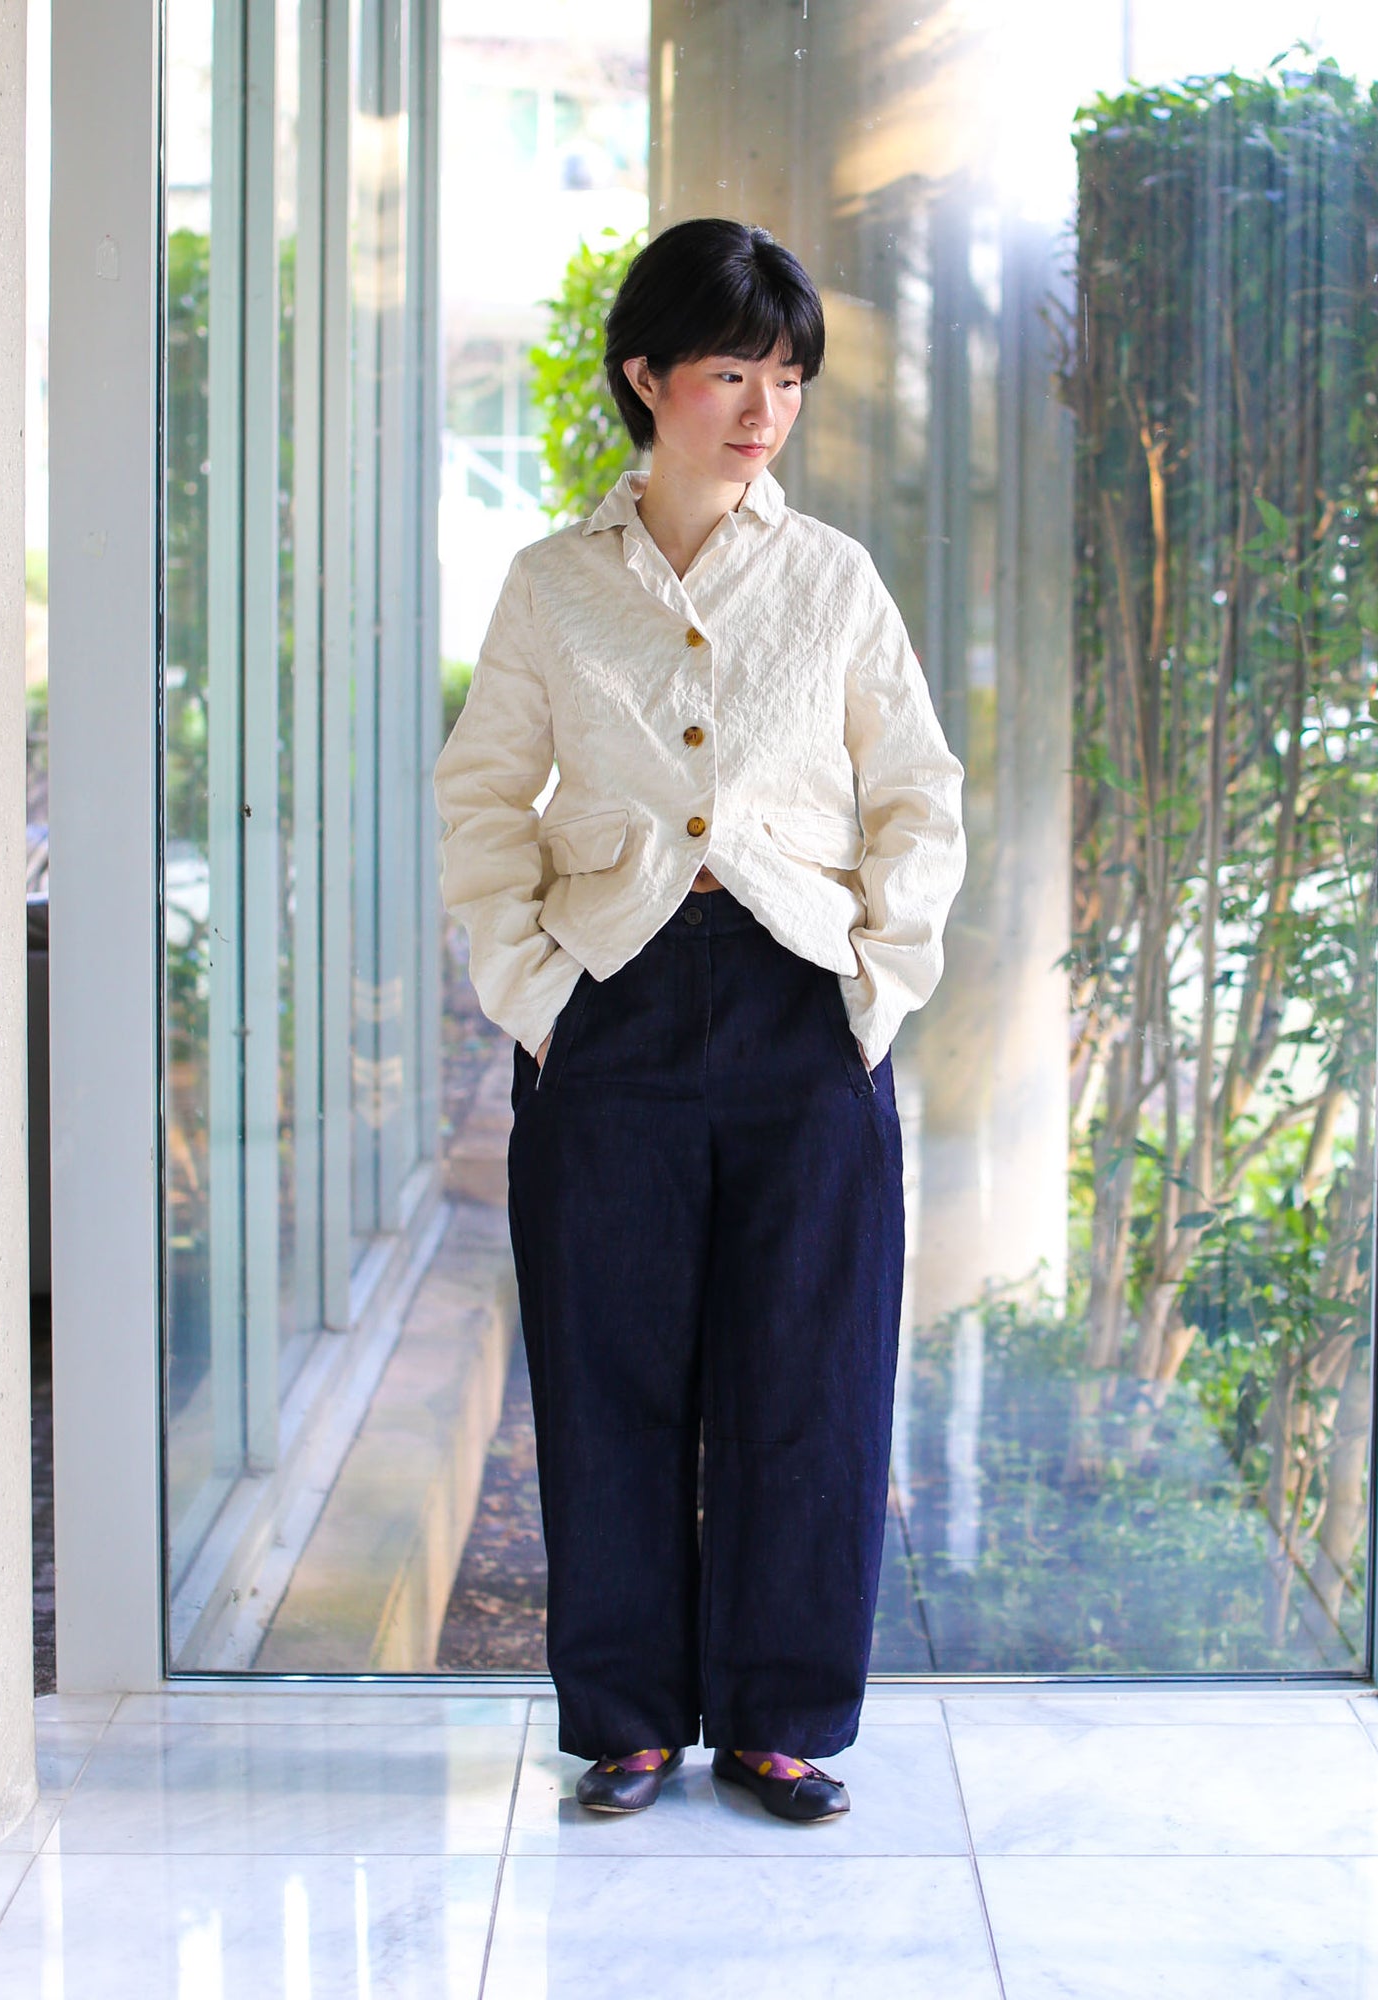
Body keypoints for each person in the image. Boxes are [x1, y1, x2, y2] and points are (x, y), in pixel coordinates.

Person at [433, 217, 965, 1824]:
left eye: (787, 379)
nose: (763, 411)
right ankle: (629, 1720)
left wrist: (877, 984)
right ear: (648, 377)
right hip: (612, 1012)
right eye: (733, 374)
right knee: (608, 1378)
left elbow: (918, 792)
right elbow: (482, 799)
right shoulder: (552, 586)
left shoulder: (832, 579)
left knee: (811, 1376)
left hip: (804, 1009)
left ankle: (782, 1719)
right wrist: (537, 995)